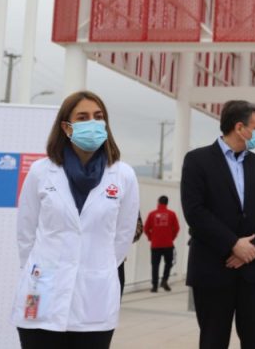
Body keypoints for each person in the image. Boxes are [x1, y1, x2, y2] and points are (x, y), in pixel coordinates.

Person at [12, 91, 140, 349]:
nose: (92, 122)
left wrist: (98, 265)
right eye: (83, 117)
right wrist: (41, 269)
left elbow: (123, 236)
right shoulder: (41, 171)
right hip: (42, 289)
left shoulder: (123, 175)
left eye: (98, 116)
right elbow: (26, 231)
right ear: (67, 127)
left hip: (94, 295)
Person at [181, 100, 255, 349]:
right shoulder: (197, 160)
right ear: (239, 128)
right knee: (213, 341)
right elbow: (195, 212)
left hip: (253, 273)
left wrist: (252, 248)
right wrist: (233, 245)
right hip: (212, 270)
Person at [144, 195, 180, 292]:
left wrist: (151, 238)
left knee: (155, 265)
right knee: (168, 263)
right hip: (168, 244)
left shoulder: (152, 214)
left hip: (155, 245)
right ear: (167, 203)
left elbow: (146, 228)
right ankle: (164, 280)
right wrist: (171, 238)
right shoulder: (172, 214)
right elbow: (177, 228)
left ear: (158, 202)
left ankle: (155, 286)